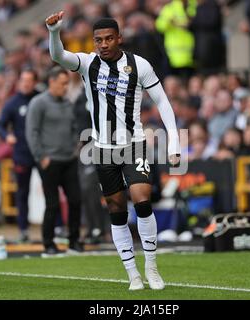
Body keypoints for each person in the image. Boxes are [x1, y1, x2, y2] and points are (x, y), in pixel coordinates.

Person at [46, 12, 181, 290]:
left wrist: (175, 143)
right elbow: (59, 57)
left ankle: (152, 268)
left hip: (134, 143)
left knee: (142, 200)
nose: (103, 44)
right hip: (104, 148)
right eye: (98, 40)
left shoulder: (139, 65)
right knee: (117, 209)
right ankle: (132, 274)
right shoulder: (87, 64)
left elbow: (163, 103)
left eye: (109, 38)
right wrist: (54, 32)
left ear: (119, 38)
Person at [26, 66, 83, 255]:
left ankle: (74, 240)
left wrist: (76, 148)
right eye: (62, 83)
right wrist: (40, 157)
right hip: (50, 161)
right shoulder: (38, 103)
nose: (66, 87)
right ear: (51, 82)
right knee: (52, 204)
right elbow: (32, 132)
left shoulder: (68, 104)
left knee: (75, 200)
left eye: (67, 83)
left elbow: (75, 127)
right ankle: (48, 243)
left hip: (69, 159)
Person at [0, 69, 38, 243]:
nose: (26, 83)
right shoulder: (13, 103)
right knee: (22, 192)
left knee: (52, 189)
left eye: (29, 80)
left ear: (34, 82)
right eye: (23, 80)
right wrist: (7, 136)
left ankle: (57, 227)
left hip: (42, 151)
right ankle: (23, 229)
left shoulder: (40, 99)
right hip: (21, 153)